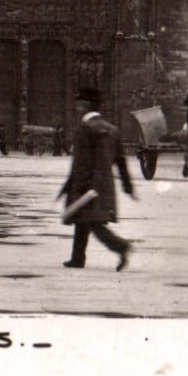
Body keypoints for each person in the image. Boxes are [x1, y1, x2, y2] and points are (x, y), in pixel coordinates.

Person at [58, 86, 136, 270]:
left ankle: (121, 246)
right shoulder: (112, 130)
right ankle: (77, 258)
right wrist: (127, 186)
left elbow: (81, 163)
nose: (77, 108)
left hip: (87, 184)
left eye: (79, 104)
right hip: (104, 185)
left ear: (85, 106)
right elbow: (121, 162)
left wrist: (78, 186)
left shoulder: (85, 130)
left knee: (93, 222)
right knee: (83, 220)